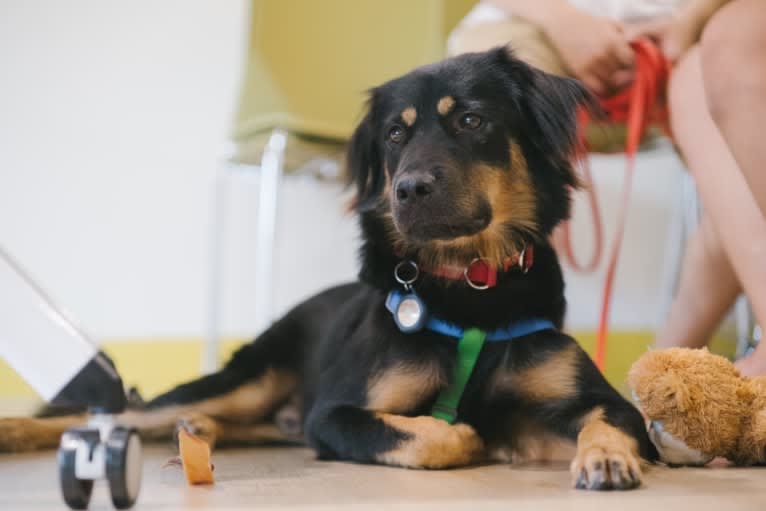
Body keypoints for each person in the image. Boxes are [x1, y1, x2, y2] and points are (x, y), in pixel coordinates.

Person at [448, 0, 766, 375]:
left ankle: (662, 380)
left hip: (677, 31)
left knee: (723, 140)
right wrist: (562, 21)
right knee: (493, 115)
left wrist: (688, 22)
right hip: (532, 23)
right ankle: (531, 375)